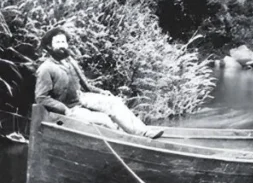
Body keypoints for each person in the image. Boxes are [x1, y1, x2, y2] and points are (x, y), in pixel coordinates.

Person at [33, 27, 164, 139]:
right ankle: (125, 140)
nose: (62, 45)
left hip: (81, 98)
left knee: (114, 102)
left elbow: (86, 85)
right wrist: (64, 109)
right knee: (104, 120)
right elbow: (41, 98)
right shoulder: (46, 68)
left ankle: (144, 132)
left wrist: (101, 92)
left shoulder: (70, 61)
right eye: (58, 42)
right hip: (69, 107)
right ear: (49, 46)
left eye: (64, 41)